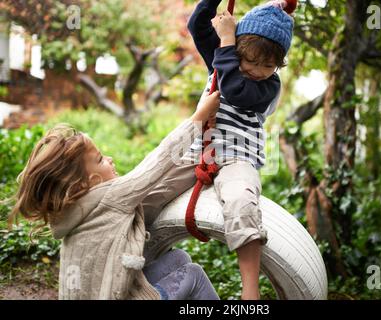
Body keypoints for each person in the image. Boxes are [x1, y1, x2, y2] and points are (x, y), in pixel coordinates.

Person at [9, 92, 221, 300]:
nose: (109, 159)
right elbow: (157, 163)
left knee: (178, 259)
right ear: (86, 183)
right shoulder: (109, 197)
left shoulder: (72, 213)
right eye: (100, 159)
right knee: (193, 275)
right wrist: (198, 118)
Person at [187, 0, 294, 299]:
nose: (259, 70)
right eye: (252, 61)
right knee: (150, 188)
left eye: (269, 64)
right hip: (197, 148)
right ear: (238, 50)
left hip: (237, 158)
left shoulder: (269, 87)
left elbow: (234, 89)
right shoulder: (224, 58)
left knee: (242, 203)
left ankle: (250, 292)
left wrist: (227, 40)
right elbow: (197, 25)